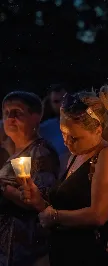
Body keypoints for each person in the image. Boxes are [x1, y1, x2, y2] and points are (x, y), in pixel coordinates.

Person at [21, 86, 108, 266]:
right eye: (63, 133)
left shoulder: (107, 156)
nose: (66, 141)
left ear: (98, 130)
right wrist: (38, 201)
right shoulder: (77, 154)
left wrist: (54, 216)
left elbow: (98, 215)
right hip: (65, 252)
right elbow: (68, 206)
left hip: (89, 255)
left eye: (74, 137)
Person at [0, 91, 59, 266]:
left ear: (36, 117)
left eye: (17, 112)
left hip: (24, 249)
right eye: (6, 113)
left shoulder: (41, 153)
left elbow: (40, 200)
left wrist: (3, 188)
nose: (10, 118)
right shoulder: (12, 154)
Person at [40, 84, 71, 176]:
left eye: (65, 99)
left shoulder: (85, 124)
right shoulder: (44, 129)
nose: (62, 104)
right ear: (50, 104)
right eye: (57, 101)